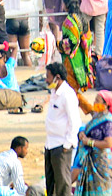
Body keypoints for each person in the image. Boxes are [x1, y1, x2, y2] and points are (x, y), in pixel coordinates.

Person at [44, 63, 80, 196]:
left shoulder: (68, 94)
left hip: (61, 146)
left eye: (48, 77)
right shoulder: (54, 92)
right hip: (50, 144)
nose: (46, 80)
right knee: (51, 181)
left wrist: (67, 144)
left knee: (62, 182)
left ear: (57, 77)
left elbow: (74, 121)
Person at [73, 91, 112, 196]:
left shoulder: (107, 121)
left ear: (106, 104)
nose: (94, 102)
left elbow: (108, 143)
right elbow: (89, 129)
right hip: (90, 159)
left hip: (100, 161)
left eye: (97, 100)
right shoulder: (98, 116)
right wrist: (82, 132)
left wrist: (90, 142)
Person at [58, 0, 93, 112]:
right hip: (82, 58)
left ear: (66, 5)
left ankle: (90, 109)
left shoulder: (69, 21)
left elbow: (71, 41)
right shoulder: (83, 19)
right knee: (71, 90)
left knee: (70, 91)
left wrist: (58, 45)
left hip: (71, 60)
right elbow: (88, 39)